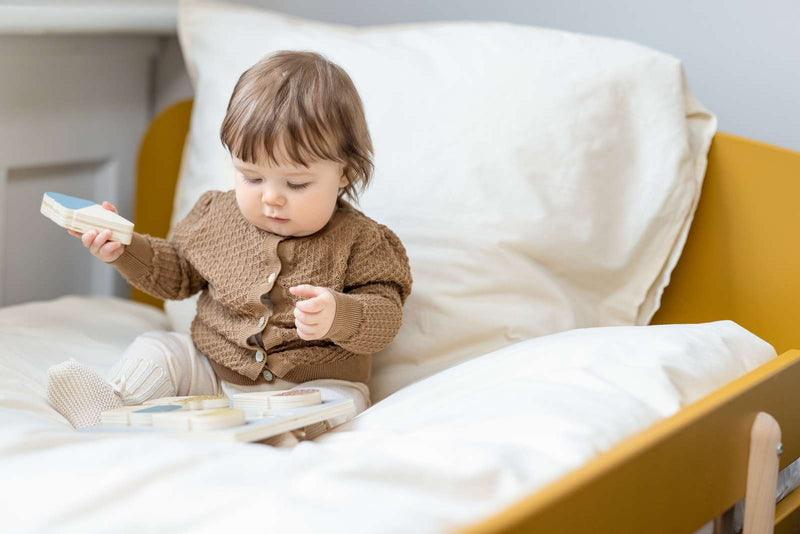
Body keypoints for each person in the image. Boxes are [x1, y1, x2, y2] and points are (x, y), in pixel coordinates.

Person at [46, 50, 413, 445]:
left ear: (346, 173)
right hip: (216, 372)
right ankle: (116, 405)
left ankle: (276, 437)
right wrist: (125, 248)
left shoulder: (362, 241)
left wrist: (339, 315)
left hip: (311, 382)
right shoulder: (215, 215)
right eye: (251, 177)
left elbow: (385, 316)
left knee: (339, 403)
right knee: (162, 347)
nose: (272, 197)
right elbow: (177, 274)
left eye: (296, 184)